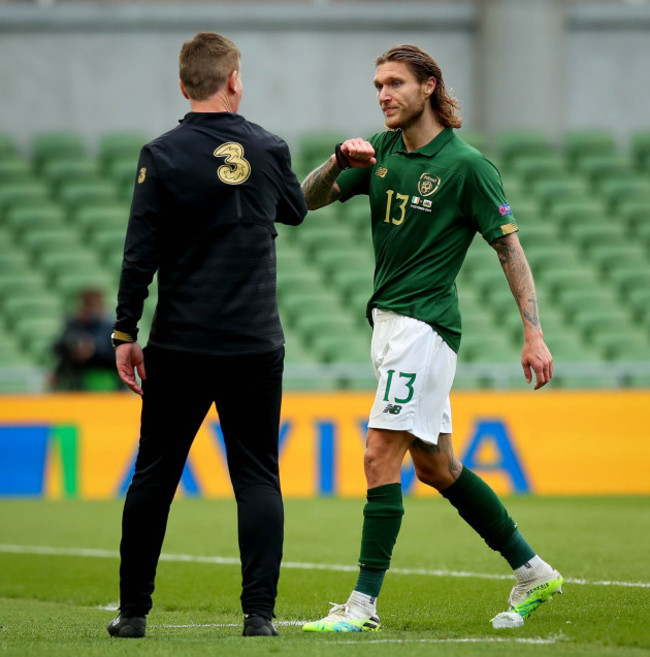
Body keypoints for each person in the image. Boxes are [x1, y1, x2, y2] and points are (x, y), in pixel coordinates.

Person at [300, 44, 562, 633]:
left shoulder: (467, 166)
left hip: (424, 325)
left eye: (394, 83)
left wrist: (533, 334)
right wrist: (339, 160)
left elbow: (509, 249)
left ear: (428, 87)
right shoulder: (382, 149)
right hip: (390, 325)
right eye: (376, 86)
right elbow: (302, 201)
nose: (383, 95)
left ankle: (362, 606)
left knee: (377, 455)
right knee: (437, 467)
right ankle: (533, 570)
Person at [106, 32, 307, 639]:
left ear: (184, 84)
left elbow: (138, 253)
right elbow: (295, 210)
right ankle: (259, 617)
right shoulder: (268, 148)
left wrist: (123, 332)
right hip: (253, 344)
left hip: (181, 345)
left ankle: (134, 615)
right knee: (257, 478)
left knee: (155, 476)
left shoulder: (161, 153)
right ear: (235, 81)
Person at [51, 287, 121, 391]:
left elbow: (119, 355)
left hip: (108, 384)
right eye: (88, 305)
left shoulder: (111, 328)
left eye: (93, 305)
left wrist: (94, 351)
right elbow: (58, 349)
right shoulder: (73, 326)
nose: (91, 310)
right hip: (77, 384)